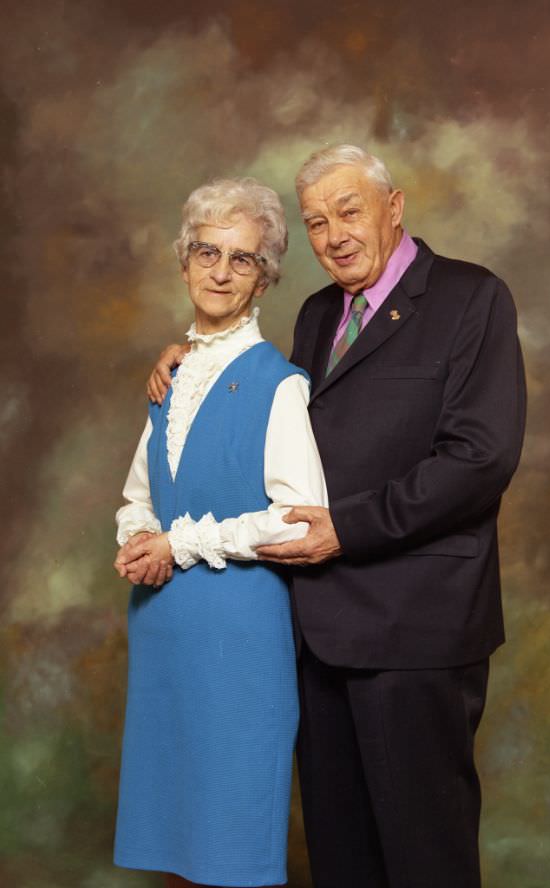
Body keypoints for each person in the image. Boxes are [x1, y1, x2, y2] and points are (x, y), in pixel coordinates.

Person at [147, 146, 527, 888]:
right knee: (341, 855)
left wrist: (350, 527)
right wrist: (193, 358)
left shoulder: (470, 298)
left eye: (349, 211)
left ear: (394, 206)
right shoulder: (321, 313)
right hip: (315, 631)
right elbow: (271, 428)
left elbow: (480, 460)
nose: (334, 235)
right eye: (316, 222)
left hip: (415, 630)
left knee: (423, 856)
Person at [112, 177, 327, 888]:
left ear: (264, 279)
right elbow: (141, 493)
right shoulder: (168, 376)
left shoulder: (281, 385)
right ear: (184, 262)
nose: (220, 271)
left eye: (242, 259)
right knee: (174, 840)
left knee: (232, 840)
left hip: (239, 637)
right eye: (207, 252)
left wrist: (176, 546)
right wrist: (140, 538)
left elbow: (296, 517)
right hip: (163, 624)